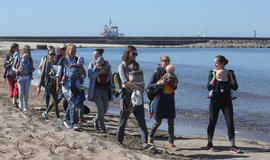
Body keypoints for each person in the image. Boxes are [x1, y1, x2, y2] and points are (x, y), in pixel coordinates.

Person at [116, 46, 151, 150]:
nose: (135, 56)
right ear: (127, 54)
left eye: (136, 54)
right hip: (127, 95)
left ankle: (145, 143)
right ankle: (119, 141)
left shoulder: (136, 65)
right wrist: (139, 88)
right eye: (133, 54)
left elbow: (139, 78)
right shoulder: (121, 66)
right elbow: (125, 82)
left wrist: (141, 88)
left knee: (141, 120)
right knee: (123, 119)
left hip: (137, 95)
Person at [206, 55, 240, 153]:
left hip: (226, 101)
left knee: (230, 122)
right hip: (215, 100)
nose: (214, 64)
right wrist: (214, 77)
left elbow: (235, 87)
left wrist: (230, 77)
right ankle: (209, 144)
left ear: (222, 63)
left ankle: (233, 146)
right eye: (214, 63)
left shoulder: (230, 72)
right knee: (212, 121)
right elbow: (208, 87)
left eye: (216, 63)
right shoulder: (211, 72)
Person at [147, 55, 178, 150]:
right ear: (161, 62)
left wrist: (174, 84)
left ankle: (171, 143)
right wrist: (158, 83)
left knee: (171, 122)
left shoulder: (172, 73)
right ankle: (150, 136)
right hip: (160, 99)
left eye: (168, 61)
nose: (167, 62)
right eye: (165, 61)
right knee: (158, 122)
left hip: (170, 99)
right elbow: (149, 86)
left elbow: (175, 87)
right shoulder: (157, 72)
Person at [88, 48, 113, 133]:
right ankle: (103, 128)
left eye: (96, 55)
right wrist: (99, 73)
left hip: (105, 89)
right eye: (94, 56)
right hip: (96, 90)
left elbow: (110, 77)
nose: (95, 57)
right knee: (101, 108)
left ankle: (95, 119)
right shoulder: (91, 64)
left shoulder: (107, 64)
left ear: (100, 56)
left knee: (105, 109)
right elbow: (90, 76)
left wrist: (113, 87)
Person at [56, 43, 80, 131]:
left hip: (76, 85)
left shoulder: (77, 59)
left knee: (72, 104)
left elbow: (82, 72)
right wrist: (57, 86)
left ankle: (65, 119)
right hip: (65, 85)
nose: (74, 52)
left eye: (75, 51)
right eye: (72, 50)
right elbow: (58, 74)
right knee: (73, 103)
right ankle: (75, 124)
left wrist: (79, 68)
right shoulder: (63, 59)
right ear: (68, 50)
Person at [38, 48, 62, 123]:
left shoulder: (56, 62)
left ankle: (45, 112)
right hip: (49, 84)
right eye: (51, 54)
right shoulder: (47, 63)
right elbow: (42, 75)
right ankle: (58, 117)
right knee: (55, 99)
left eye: (54, 54)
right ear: (48, 55)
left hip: (56, 84)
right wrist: (39, 86)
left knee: (57, 100)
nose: (52, 55)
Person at [13, 45, 35, 111]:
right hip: (20, 77)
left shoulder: (30, 58)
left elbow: (32, 68)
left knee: (26, 93)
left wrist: (32, 70)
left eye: (29, 50)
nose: (28, 51)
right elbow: (13, 67)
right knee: (21, 92)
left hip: (28, 77)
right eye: (27, 49)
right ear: (24, 50)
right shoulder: (18, 57)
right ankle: (20, 104)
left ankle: (25, 106)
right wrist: (16, 70)